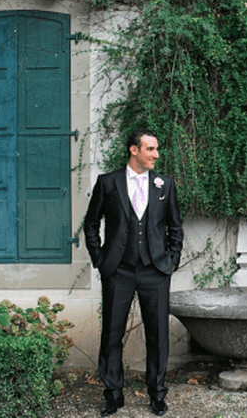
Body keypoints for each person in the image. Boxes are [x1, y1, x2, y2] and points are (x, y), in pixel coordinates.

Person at [84, 128, 184, 416]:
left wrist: (172, 260)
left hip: (155, 270)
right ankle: (113, 394)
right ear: (134, 150)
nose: (156, 154)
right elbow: (91, 224)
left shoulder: (165, 185)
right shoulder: (108, 183)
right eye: (150, 149)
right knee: (112, 334)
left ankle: (157, 393)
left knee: (158, 335)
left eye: (156, 149)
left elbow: (175, 227)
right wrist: (100, 259)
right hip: (118, 270)